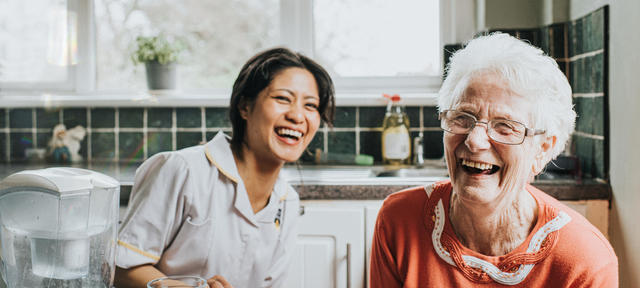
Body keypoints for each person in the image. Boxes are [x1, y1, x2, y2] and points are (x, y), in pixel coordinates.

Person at [369, 33, 618, 287]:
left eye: (504, 126)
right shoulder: (399, 221)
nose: (474, 141)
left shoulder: (584, 261)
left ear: (543, 148)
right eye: (462, 117)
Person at [114, 47, 335, 288]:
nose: (297, 115)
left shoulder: (287, 202)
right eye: (282, 98)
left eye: (311, 105)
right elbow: (121, 269)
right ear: (244, 107)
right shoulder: (182, 170)